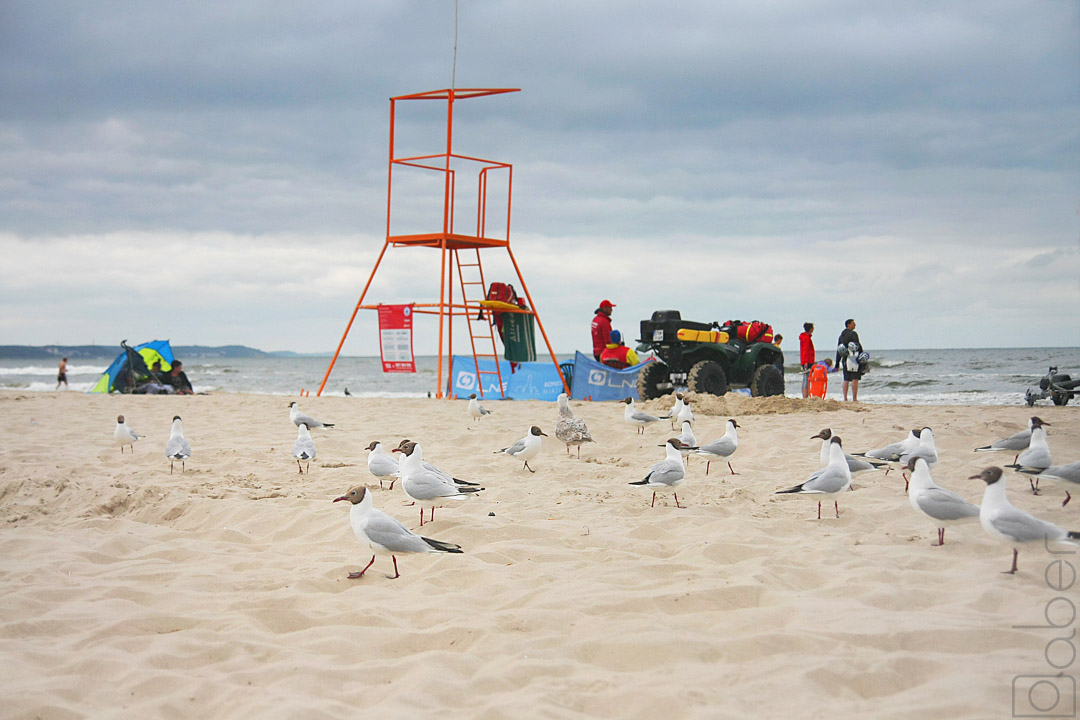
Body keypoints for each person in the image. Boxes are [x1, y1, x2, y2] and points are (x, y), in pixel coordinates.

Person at [835, 319, 863, 402]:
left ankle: (845, 398)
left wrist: (837, 363)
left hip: (845, 359)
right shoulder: (853, 334)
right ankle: (854, 398)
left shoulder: (841, 336)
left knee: (846, 379)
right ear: (848, 325)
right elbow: (858, 346)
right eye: (853, 323)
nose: (855, 325)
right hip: (853, 358)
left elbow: (839, 350)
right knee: (855, 378)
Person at [799, 323, 815, 398]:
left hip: (807, 360)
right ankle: (805, 395)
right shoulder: (806, 338)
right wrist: (805, 361)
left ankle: (805, 395)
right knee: (806, 378)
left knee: (806, 378)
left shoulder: (805, 337)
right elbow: (805, 350)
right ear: (811, 329)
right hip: (807, 361)